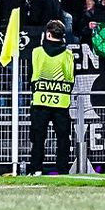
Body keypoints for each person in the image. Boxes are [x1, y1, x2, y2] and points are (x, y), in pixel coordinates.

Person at [27, 19, 76, 175]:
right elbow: (70, 77)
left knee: (38, 138)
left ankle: (36, 169)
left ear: (47, 34)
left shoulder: (36, 52)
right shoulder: (68, 54)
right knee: (63, 139)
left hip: (40, 101)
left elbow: (31, 75)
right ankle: (62, 170)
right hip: (61, 103)